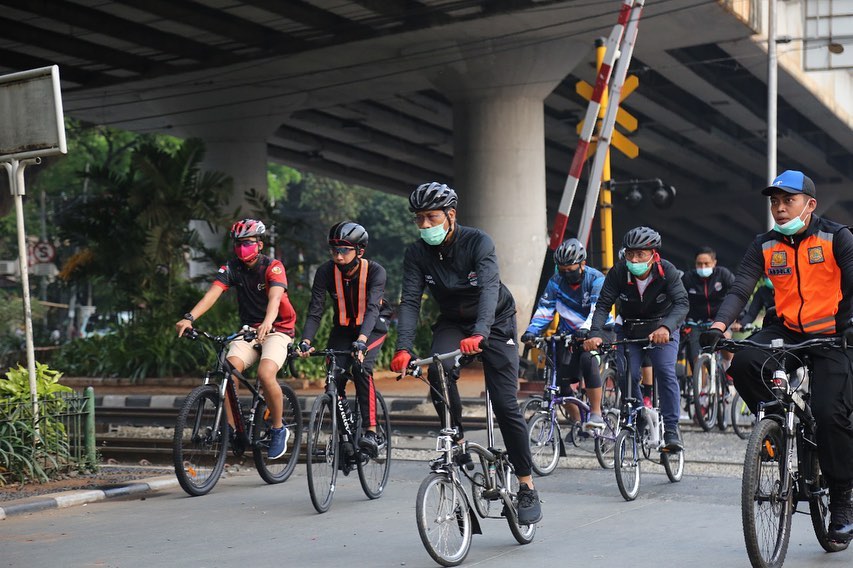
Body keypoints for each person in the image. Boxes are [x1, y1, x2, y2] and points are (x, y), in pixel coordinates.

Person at [700, 170, 853, 543]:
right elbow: (741, 288)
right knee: (745, 363)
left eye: (788, 201)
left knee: (831, 414)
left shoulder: (837, 237)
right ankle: (775, 431)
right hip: (786, 329)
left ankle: (842, 499)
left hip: (833, 334)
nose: (780, 208)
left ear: (810, 204)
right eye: (774, 202)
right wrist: (720, 326)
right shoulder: (764, 244)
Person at [389, 181, 542, 525]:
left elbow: (489, 288)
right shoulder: (416, 254)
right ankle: (455, 437)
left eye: (431, 217)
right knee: (437, 371)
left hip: (495, 322)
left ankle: (526, 484)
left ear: (450, 215)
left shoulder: (478, 241)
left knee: (504, 404)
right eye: (419, 220)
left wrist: (480, 333)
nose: (425, 225)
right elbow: (411, 301)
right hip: (453, 323)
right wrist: (403, 348)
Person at [175, 219, 296, 460]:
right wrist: (189, 318)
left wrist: (268, 322)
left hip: (278, 329)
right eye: (239, 244)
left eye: (248, 243)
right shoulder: (231, 268)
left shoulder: (273, 267)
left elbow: (275, 299)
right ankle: (231, 429)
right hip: (249, 330)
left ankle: (278, 428)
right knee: (228, 370)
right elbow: (212, 295)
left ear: (259, 245)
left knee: (265, 373)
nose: (243, 248)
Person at [583, 226, 688, 452]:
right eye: (630, 253)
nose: (634, 259)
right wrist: (595, 334)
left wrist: (667, 328)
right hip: (630, 328)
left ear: (653, 254)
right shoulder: (619, 272)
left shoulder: (667, 271)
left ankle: (671, 428)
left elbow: (682, 304)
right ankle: (639, 415)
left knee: (664, 370)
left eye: (640, 254)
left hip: (662, 328)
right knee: (627, 375)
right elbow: (602, 305)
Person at [297, 221, 391, 458]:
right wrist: (306, 340)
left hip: (372, 327)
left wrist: (361, 341)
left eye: (344, 250)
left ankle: (371, 431)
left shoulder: (376, 271)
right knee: (333, 376)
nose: (338, 256)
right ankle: (346, 434)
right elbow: (315, 310)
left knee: (361, 368)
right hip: (343, 328)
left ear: (360, 251)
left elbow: (372, 309)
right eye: (334, 250)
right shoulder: (325, 272)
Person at [520, 238, 611, 430]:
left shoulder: (596, 280)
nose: (566, 274)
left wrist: (587, 330)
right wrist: (531, 331)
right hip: (568, 335)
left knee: (588, 360)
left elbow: (597, 311)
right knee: (560, 381)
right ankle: (578, 423)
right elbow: (545, 310)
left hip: (598, 331)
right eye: (562, 269)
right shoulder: (555, 282)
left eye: (570, 269)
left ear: (583, 264)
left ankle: (596, 413)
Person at [681, 246, 736, 369]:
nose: (703, 267)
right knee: (697, 360)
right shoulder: (688, 278)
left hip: (720, 319)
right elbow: (679, 300)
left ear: (714, 263)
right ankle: (702, 387)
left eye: (706, 263)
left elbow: (738, 294)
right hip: (696, 322)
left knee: (726, 340)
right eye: (699, 264)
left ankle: (729, 369)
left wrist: (740, 318)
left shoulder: (723, 274)